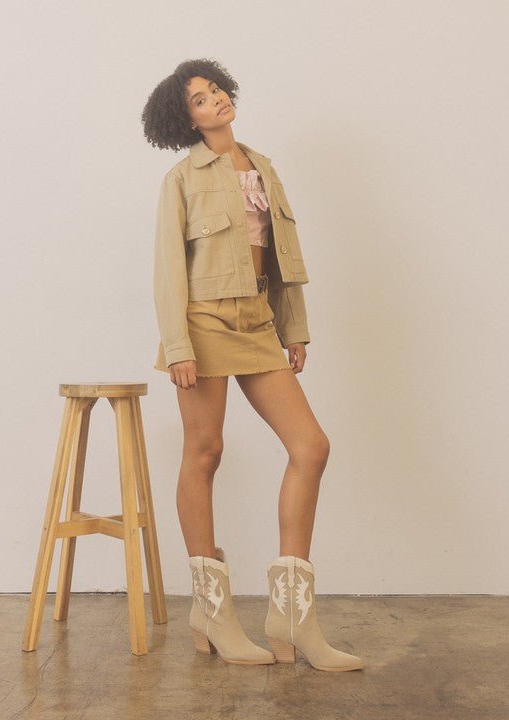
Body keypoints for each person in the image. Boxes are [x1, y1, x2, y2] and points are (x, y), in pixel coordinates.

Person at [141, 58, 365, 670]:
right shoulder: (181, 179)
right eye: (198, 99)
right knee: (204, 452)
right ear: (185, 120)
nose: (214, 100)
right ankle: (211, 613)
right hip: (203, 323)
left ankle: (292, 618)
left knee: (310, 446)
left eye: (214, 89)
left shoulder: (262, 167)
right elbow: (168, 268)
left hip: (259, 322)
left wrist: (294, 328)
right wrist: (178, 346)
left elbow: (283, 255)